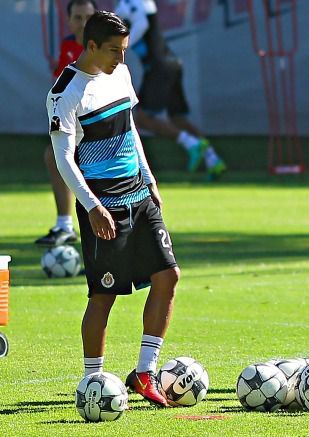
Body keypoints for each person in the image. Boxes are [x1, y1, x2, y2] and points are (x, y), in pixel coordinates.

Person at [46, 11, 180, 407]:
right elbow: (64, 158)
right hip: (104, 206)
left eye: (124, 51)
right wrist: (91, 207)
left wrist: (149, 177)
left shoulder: (119, 75)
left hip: (139, 196)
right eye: (113, 51)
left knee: (168, 276)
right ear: (90, 46)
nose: (121, 60)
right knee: (103, 296)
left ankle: (144, 372)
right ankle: (92, 383)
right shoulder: (65, 92)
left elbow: (130, 127)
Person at [114, 0, 226, 180]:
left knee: (142, 118)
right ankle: (214, 160)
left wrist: (122, 46)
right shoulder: (122, 8)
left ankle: (192, 144)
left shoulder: (140, 3)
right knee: (177, 118)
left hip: (159, 67)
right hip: (171, 64)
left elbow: (143, 24)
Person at [35, 0, 97, 247]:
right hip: (78, 121)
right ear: (69, 21)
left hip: (101, 121)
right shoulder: (69, 46)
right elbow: (62, 89)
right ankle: (65, 225)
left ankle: (107, 236)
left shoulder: (103, 48)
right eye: (78, 17)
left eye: (89, 17)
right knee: (54, 156)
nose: (83, 23)